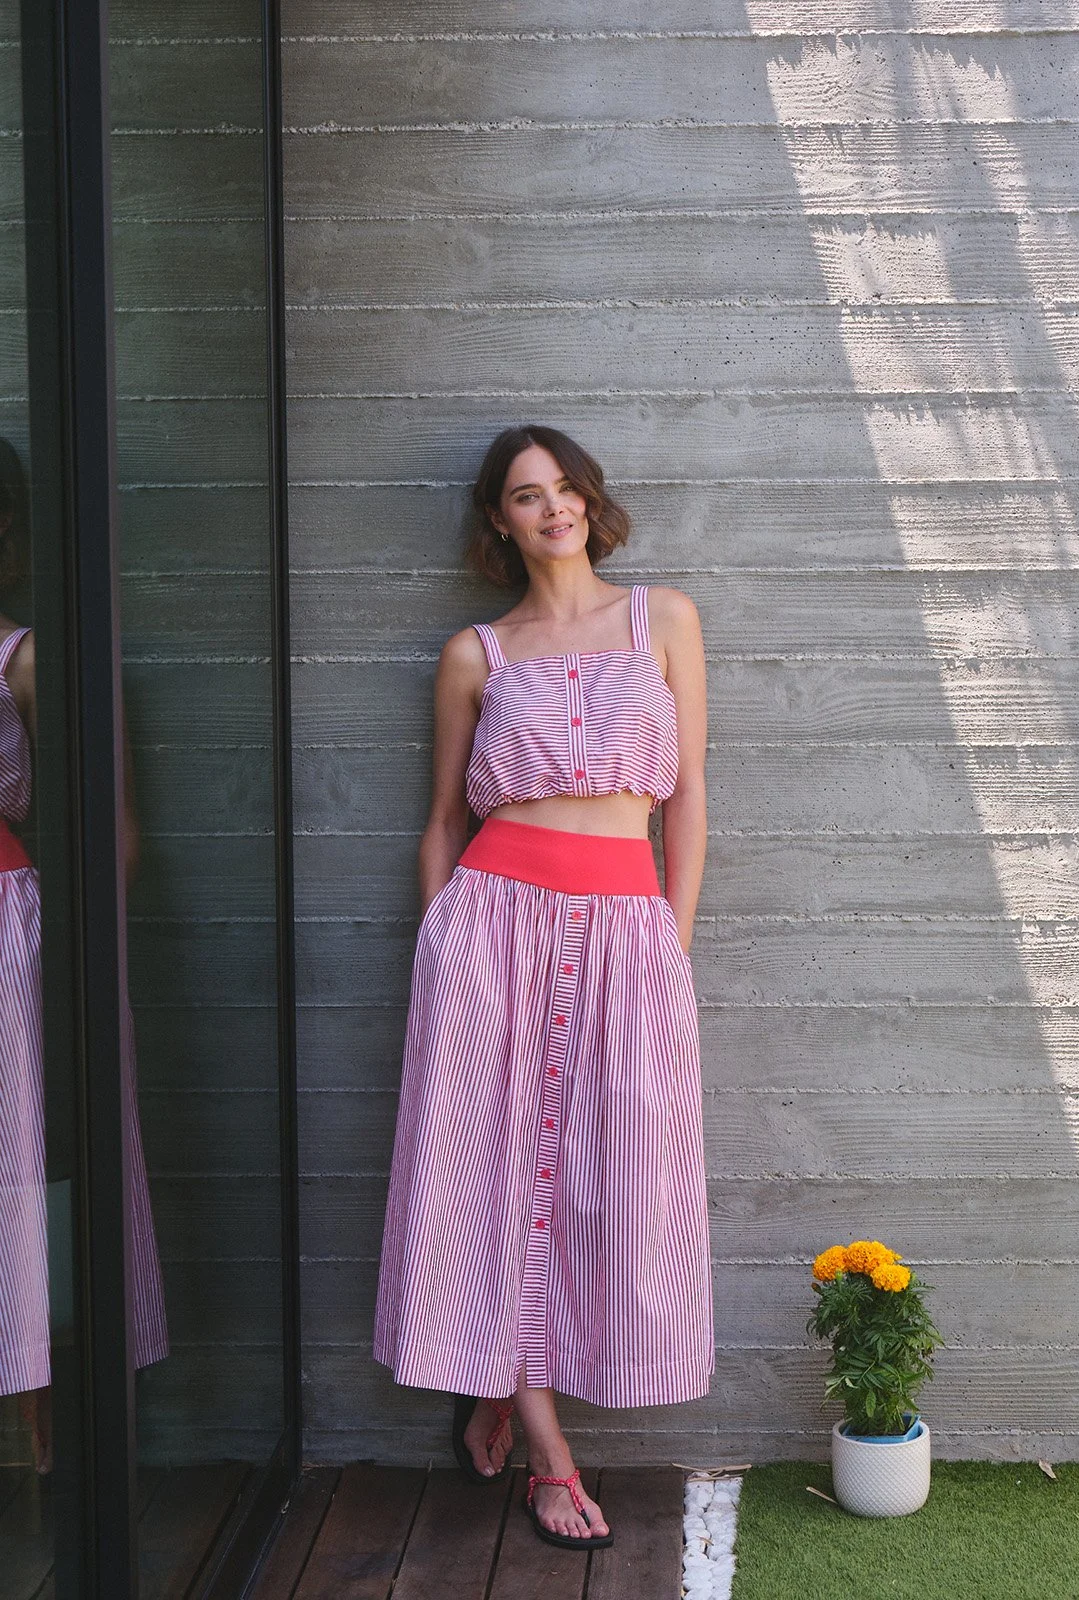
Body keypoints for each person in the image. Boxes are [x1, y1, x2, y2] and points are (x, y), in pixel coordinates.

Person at [374, 424, 713, 1549]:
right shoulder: (476, 654)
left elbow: (688, 798)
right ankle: (549, 1451)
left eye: (565, 487)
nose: (553, 507)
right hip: (491, 928)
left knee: (605, 1180)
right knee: (491, 1172)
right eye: (527, 495)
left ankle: (495, 1376)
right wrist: (440, 950)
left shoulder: (664, 621)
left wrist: (670, 943)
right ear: (500, 521)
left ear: (590, 501)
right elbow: (442, 822)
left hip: (625, 928)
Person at [0, 438, 167, 1469]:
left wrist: (77, 965)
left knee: (22, 1158)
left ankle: (44, 1423)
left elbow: (115, 828)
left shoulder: (23, 659)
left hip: (6, 927)